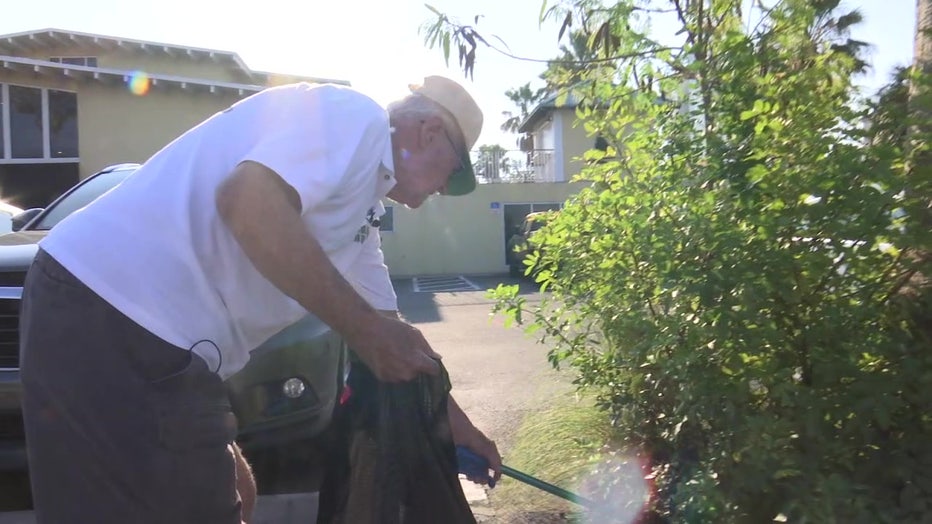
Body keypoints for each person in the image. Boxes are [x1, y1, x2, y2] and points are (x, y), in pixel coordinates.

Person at [19, 75, 502, 524]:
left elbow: (394, 339)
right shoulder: (354, 119)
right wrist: (366, 333)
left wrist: (458, 428)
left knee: (238, 493)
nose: (443, 190)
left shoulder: (361, 215)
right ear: (428, 131)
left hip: (158, 343)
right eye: (452, 174)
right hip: (112, 313)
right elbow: (248, 203)